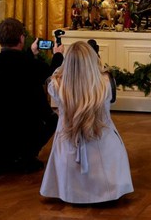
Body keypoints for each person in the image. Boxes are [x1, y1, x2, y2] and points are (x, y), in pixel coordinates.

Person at [0, 18, 64, 183]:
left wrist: (30, 52)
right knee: (53, 120)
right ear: (21, 38)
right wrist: (58, 54)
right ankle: (26, 156)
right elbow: (52, 73)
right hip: (23, 129)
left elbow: (11, 66)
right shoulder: (31, 65)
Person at [40, 41, 133, 204]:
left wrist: (58, 56)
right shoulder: (106, 83)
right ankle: (107, 191)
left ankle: (70, 192)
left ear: (67, 63)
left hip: (68, 147)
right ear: (93, 60)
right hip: (103, 147)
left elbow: (55, 73)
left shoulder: (55, 85)